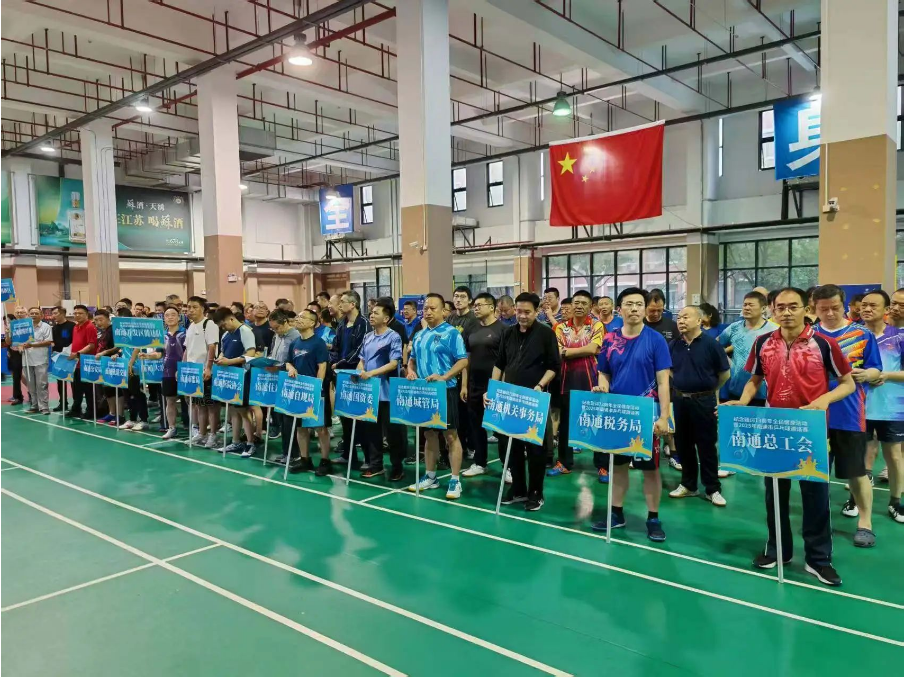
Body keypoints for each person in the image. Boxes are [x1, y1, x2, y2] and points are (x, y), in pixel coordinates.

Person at [726, 287, 854, 587]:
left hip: (811, 431)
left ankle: (818, 559)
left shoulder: (824, 344)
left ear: (806, 309)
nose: (786, 312)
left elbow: (847, 383)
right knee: (774, 493)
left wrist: (824, 400)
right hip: (775, 429)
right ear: (772, 310)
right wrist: (742, 402)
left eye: (793, 306)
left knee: (816, 496)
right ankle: (777, 550)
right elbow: (755, 379)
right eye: (780, 307)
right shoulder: (763, 343)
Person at [591, 288, 672, 542]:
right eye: (629, 304)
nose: (634, 308)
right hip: (618, 414)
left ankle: (653, 518)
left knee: (650, 469)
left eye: (639, 304)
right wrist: (602, 386)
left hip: (647, 415)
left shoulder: (656, 340)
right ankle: (616, 513)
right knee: (618, 467)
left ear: (645, 308)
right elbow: (604, 372)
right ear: (620, 309)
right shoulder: (609, 339)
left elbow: (663, 382)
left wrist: (664, 416)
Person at [811, 284, 882, 547]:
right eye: (823, 309)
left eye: (835, 308)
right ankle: (818, 522)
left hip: (850, 414)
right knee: (814, 472)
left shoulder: (862, 334)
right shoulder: (808, 335)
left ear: (845, 306)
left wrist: (867, 374)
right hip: (814, 414)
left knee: (856, 472)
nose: (830, 313)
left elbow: (876, 369)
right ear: (815, 309)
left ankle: (865, 523)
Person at [489, 292, 560, 511]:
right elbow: (499, 363)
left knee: (536, 448)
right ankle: (518, 488)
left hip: (533, 400)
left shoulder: (546, 334)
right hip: (510, 399)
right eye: (519, 311)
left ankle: (536, 492)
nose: (522, 316)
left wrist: (539, 385)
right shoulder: (508, 333)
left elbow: (554, 367)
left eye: (527, 312)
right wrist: (493, 389)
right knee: (512, 446)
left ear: (536, 311)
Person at [407, 293, 469, 499]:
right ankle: (431, 476)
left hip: (446, 390)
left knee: (450, 435)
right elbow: (412, 359)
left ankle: (455, 480)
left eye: (433, 308)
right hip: (425, 392)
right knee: (429, 434)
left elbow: (463, 361)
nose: (428, 311)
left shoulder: (452, 333)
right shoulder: (419, 335)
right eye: (426, 308)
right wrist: (410, 371)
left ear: (443, 311)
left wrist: (444, 376)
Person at [668, 306, 730, 506]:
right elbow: (669, 370)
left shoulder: (711, 344)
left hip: (704, 401)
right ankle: (689, 485)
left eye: (686, 317)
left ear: (699, 320)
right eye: (679, 317)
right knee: (683, 444)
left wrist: (709, 391)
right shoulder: (674, 344)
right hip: (680, 400)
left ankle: (712, 489)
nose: (681, 321)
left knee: (706, 446)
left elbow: (724, 374)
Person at [549, 290, 605, 478]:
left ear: (590, 307)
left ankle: (602, 465)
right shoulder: (560, 327)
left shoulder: (596, 325)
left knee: (596, 423)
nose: (579, 306)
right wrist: (581, 350)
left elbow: (593, 348)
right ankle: (564, 462)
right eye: (576, 303)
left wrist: (567, 351)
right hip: (566, 380)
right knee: (565, 424)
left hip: (591, 381)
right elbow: (557, 351)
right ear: (571, 305)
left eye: (584, 303)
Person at [859, 290, 904, 521]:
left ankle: (896, 501)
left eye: (873, 305)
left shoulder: (900, 337)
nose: (867, 309)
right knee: (861, 454)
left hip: (891, 407)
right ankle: (857, 498)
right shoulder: (853, 335)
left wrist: (884, 375)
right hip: (858, 406)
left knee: (894, 456)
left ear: (886, 310)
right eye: (864, 305)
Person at [356, 300, 406, 480]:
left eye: (376, 313)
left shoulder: (393, 337)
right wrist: (360, 370)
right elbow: (361, 359)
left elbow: (393, 363)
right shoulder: (368, 337)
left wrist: (370, 373)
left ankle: (397, 466)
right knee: (371, 431)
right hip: (370, 392)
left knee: (393, 433)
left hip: (387, 391)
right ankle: (376, 465)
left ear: (386, 318)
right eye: (371, 312)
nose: (371, 315)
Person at [461, 293, 503, 478]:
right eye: (475, 305)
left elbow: (506, 362)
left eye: (479, 305)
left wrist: (499, 387)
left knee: (499, 428)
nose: (475, 308)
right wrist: (464, 385)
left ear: (491, 307)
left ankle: (508, 466)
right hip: (474, 386)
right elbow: (466, 359)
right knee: (476, 426)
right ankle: (480, 463)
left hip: (495, 386)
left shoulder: (503, 330)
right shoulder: (471, 329)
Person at [285, 308, 332, 474]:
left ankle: (325, 461)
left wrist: (317, 390)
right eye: (298, 316)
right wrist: (290, 368)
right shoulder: (295, 343)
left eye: (302, 317)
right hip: (299, 392)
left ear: (312, 323)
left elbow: (322, 367)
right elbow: (288, 362)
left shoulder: (318, 343)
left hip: (315, 391)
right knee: (301, 428)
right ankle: (305, 459)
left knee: (320, 428)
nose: (298, 319)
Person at [331, 290, 370, 467]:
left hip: (357, 375)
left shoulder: (364, 324)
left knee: (360, 418)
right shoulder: (341, 324)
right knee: (344, 416)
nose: (340, 305)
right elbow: (335, 346)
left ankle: (368, 459)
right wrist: (334, 362)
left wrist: (342, 362)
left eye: (343, 302)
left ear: (353, 304)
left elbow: (361, 349)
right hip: (340, 374)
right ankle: (348, 454)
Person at [212, 307, 257, 457]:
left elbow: (251, 353)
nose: (223, 328)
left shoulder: (245, 331)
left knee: (244, 412)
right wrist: (220, 358)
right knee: (232, 411)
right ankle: (236, 441)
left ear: (231, 319)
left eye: (224, 324)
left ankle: (250, 443)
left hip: (242, 376)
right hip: (228, 377)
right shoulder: (226, 335)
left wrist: (229, 361)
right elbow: (223, 351)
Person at [718, 291, 776, 407]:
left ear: (763, 308)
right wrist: (727, 361)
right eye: (745, 305)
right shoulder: (734, 328)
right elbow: (715, 346)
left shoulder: (773, 331)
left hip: (763, 393)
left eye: (751, 305)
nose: (747, 308)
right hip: (736, 390)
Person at [185, 296, 221, 448]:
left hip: (206, 371)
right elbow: (187, 349)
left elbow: (212, 347)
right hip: (193, 372)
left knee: (211, 405)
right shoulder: (191, 326)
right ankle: (202, 433)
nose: (190, 310)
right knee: (199, 405)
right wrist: (183, 368)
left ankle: (213, 435)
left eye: (194, 307)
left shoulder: (209, 325)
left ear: (203, 309)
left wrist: (208, 368)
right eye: (189, 307)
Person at [144, 306, 185, 440]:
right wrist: (148, 356)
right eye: (167, 315)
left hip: (185, 371)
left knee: (189, 401)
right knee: (170, 400)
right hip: (168, 372)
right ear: (164, 319)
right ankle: (172, 428)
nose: (170, 317)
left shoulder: (185, 334)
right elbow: (159, 354)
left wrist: (183, 368)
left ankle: (193, 427)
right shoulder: (162, 335)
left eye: (173, 314)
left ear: (178, 317)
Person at [449, 286, 480, 458]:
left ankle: (471, 446)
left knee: (467, 414)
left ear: (470, 300)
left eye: (462, 296)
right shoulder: (451, 317)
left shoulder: (473, 320)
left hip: (467, 372)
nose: (458, 299)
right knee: (456, 414)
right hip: (451, 372)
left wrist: (464, 384)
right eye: (456, 296)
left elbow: (469, 352)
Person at [266, 309, 300, 450]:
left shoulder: (296, 337)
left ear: (285, 322)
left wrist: (281, 366)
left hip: (290, 380)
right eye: (272, 329)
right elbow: (273, 354)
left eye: (277, 328)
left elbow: (295, 361)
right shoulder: (276, 336)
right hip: (276, 379)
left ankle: (293, 451)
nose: (275, 331)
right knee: (280, 418)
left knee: (290, 421)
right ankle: (286, 451)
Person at [115, 308, 150, 431]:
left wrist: (131, 362)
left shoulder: (136, 329)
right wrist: (117, 355)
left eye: (117, 316)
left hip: (134, 366)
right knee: (127, 393)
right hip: (124, 365)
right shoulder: (122, 330)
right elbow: (123, 348)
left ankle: (144, 420)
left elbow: (137, 347)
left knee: (136, 392)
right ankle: (132, 419)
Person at [94, 309, 125, 424]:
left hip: (115, 362)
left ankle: (120, 415)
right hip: (105, 363)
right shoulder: (103, 331)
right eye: (96, 320)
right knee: (108, 389)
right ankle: (112, 413)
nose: (98, 322)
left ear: (108, 319)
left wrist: (104, 352)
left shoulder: (113, 330)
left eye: (101, 320)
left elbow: (119, 346)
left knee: (117, 389)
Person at [66, 304, 97, 418]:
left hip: (87, 362)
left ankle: (91, 411)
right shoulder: (75, 327)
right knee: (77, 388)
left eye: (80, 313)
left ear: (86, 314)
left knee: (88, 389)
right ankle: (76, 409)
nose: (77, 315)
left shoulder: (90, 327)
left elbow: (91, 345)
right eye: (75, 313)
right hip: (76, 363)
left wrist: (78, 354)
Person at [21, 307, 53, 415]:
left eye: (36, 313)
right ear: (28, 315)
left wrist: (32, 345)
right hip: (26, 360)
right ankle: (34, 405)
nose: (33, 315)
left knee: (42, 384)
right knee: (30, 385)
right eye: (32, 313)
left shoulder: (46, 327)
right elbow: (18, 342)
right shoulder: (24, 327)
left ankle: (44, 407)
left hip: (40, 360)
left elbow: (48, 342)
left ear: (41, 315)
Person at [50, 306, 75, 411]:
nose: (53, 316)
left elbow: (75, 340)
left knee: (73, 382)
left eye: (55, 313)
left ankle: (76, 405)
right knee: (60, 382)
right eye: (53, 313)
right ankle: (63, 403)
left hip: (71, 357)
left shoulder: (72, 326)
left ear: (63, 314)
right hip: (58, 357)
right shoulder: (54, 328)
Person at [4, 305, 29, 405]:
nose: (19, 314)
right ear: (15, 314)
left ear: (26, 314)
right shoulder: (11, 325)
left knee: (30, 375)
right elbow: (8, 342)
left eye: (21, 312)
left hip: (28, 351)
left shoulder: (30, 324)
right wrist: (7, 334)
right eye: (17, 312)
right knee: (16, 375)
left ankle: (33, 395)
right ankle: (18, 397)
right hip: (15, 352)